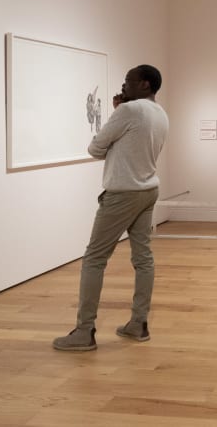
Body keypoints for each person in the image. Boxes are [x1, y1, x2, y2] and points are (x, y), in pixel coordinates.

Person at [53, 65, 169, 351]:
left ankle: (84, 331)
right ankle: (138, 324)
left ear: (144, 84)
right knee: (143, 258)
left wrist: (117, 113)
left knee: (94, 258)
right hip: (148, 190)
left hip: (123, 193)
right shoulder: (160, 113)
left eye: (128, 81)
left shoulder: (128, 111)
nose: (123, 85)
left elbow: (95, 149)